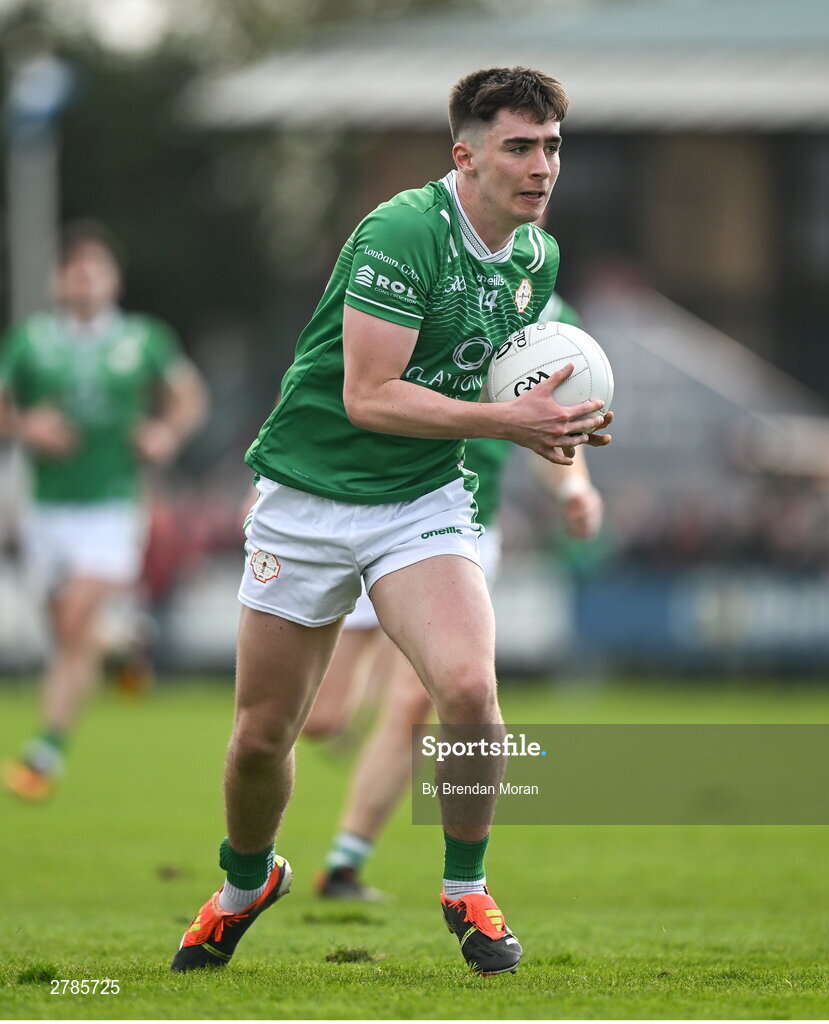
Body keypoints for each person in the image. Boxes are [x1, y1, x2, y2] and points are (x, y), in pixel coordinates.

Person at [170, 66, 612, 977]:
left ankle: (465, 887)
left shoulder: (538, 260)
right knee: (263, 735)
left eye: (553, 147)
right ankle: (246, 882)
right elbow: (369, 396)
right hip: (305, 498)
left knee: (468, 695)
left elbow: (510, 388)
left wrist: (561, 454)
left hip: (421, 503)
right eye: (519, 147)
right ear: (466, 155)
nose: (542, 167)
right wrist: (510, 424)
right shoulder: (402, 230)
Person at [311, 294, 604, 902]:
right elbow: (348, 380)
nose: (533, 195)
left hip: (463, 524)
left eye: (544, 192)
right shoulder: (428, 279)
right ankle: (366, 683)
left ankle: (345, 863)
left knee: (420, 705)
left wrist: (573, 487)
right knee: (321, 720)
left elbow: (559, 432)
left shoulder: (559, 323)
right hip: (369, 502)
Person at [0, 219, 207, 801]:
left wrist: (165, 432)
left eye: (95, 270)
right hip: (46, 508)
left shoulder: (143, 340)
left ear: (112, 280)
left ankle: (45, 753)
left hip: (113, 506)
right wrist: (25, 427)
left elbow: (189, 396)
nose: (84, 281)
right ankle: (122, 643)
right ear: (59, 281)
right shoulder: (31, 341)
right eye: (74, 271)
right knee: (69, 632)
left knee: (71, 629)